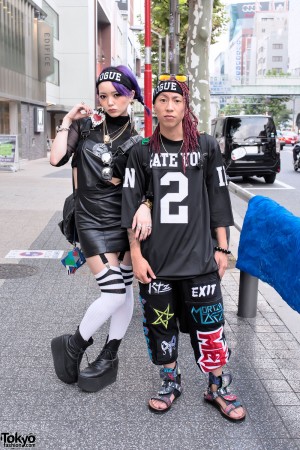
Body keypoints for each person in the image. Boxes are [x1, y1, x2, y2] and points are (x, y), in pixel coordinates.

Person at [121, 75, 246, 421]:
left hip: (200, 260)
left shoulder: (205, 147)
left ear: (186, 106)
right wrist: (135, 255)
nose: (170, 106)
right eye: (163, 100)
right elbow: (130, 204)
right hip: (156, 262)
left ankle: (217, 385)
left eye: (176, 100)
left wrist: (222, 250)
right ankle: (170, 380)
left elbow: (220, 200)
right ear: (154, 106)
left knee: (210, 328)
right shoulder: (141, 151)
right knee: (161, 327)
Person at [50, 65, 152, 393]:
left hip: (121, 222)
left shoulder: (139, 142)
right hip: (89, 220)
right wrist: (67, 122)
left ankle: (109, 354)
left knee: (124, 292)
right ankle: (75, 344)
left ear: (132, 97)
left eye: (117, 96)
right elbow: (55, 159)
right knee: (112, 292)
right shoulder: (85, 126)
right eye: (104, 96)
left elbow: (143, 189)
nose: (110, 102)